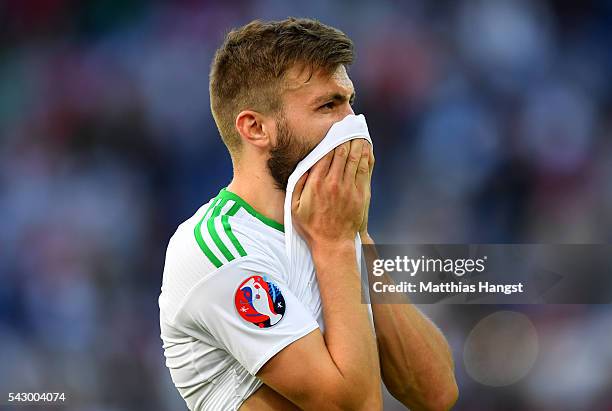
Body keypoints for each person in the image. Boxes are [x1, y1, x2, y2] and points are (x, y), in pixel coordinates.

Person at [159, 17, 458, 411]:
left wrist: (357, 237)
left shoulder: (326, 224)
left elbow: (436, 394)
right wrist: (336, 243)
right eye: (328, 105)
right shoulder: (218, 251)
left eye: (350, 101)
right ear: (256, 128)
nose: (351, 122)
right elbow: (356, 407)